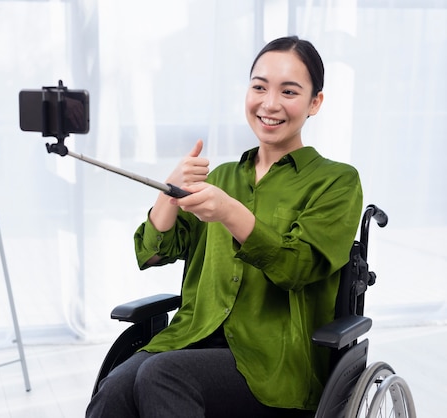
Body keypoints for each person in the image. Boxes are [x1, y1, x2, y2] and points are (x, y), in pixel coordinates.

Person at [86, 35, 363, 418]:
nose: (270, 103)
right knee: (115, 387)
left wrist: (231, 213)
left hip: (275, 362)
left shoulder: (337, 182)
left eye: (289, 91)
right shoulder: (221, 177)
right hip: (193, 337)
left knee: (161, 375)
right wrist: (169, 191)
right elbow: (152, 252)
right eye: (259, 87)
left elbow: (297, 267)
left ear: (315, 102)